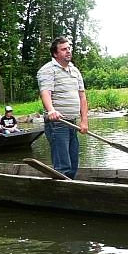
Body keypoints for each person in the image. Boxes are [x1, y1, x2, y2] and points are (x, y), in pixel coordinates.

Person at [37, 37, 89, 179]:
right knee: (63, 166)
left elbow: (82, 97)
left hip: (71, 122)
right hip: (57, 123)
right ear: (55, 53)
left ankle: (69, 187)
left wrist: (84, 121)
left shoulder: (75, 71)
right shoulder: (47, 70)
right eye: (64, 49)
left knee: (73, 163)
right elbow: (45, 92)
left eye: (69, 48)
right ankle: (61, 193)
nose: (68, 51)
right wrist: (51, 110)